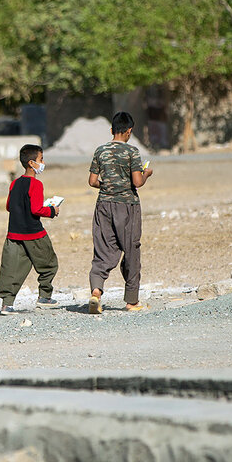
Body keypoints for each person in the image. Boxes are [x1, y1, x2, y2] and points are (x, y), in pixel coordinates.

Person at [87, 111, 153, 314]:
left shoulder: (100, 150)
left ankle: (96, 292)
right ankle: (132, 301)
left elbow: (92, 181)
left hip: (103, 205)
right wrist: (146, 174)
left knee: (103, 250)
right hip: (127, 206)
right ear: (129, 131)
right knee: (131, 250)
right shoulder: (132, 152)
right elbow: (137, 182)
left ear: (112, 130)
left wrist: (107, 186)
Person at [0, 144, 60, 314]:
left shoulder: (14, 183)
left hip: (14, 234)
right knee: (49, 264)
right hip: (34, 234)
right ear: (32, 163)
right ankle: (44, 296)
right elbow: (36, 209)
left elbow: (9, 206)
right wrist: (52, 210)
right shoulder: (36, 184)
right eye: (41, 159)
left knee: (12, 269)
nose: (43, 163)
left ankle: (7, 304)